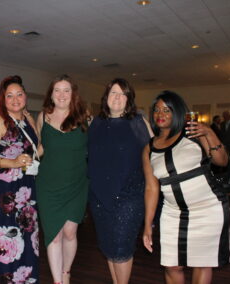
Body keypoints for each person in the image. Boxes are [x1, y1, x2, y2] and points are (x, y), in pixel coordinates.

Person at [142, 91, 230, 284]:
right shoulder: (149, 148)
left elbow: (222, 161)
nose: (160, 114)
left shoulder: (193, 134)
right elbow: (151, 188)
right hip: (173, 213)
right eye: (156, 110)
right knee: (172, 265)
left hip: (208, 209)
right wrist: (148, 224)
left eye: (166, 109)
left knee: (201, 263)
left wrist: (209, 132)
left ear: (177, 112)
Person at [88, 78, 152, 284]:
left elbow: (155, 152)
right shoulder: (96, 123)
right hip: (99, 196)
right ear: (106, 97)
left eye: (122, 94)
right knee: (108, 246)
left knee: (122, 247)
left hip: (129, 196)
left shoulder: (139, 122)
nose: (117, 97)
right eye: (113, 93)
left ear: (129, 99)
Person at [0, 75, 39, 283]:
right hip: (3, 193)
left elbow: (36, 149)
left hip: (25, 189)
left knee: (26, 238)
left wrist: (34, 156)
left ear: (26, 97)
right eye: (9, 95)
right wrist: (12, 162)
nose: (15, 99)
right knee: (7, 241)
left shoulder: (28, 119)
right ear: (2, 99)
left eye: (19, 94)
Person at [36, 74, 90, 284]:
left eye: (66, 90)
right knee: (54, 235)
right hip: (48, 185)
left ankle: (66, 272)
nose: (61, 95)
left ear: (73, 94)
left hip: (76, 184)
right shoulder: (43, 116)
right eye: (57, 90)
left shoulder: (83, 117)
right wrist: (23, 160)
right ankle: (58, 281)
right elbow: (41, 147)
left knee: (69, 232)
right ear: (51, 94)